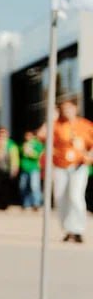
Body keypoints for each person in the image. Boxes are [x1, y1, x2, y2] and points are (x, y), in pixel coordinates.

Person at [41, 98, 93, 243]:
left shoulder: (85, 125)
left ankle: (78, 229)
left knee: (76, 196)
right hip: (60, 166)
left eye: (69, 108)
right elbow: (41, 136)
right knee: (60, 197)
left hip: (78, 166)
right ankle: (68, 229)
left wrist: (89, 156)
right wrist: (49, 119)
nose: (67, 111)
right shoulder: (56, 125)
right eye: (64, 109)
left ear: (75, 109)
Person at [19, 130, 44, 211]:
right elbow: (20, 154)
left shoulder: (37, 145)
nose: (27, 137)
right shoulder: (24, 144)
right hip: (24, 168)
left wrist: (30, 152)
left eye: (29, 136)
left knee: (34, 186)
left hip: (34, 168)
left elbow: (39, 156)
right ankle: (26, 203)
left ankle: (36, 203)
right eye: (26, 136)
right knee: (23, 186)